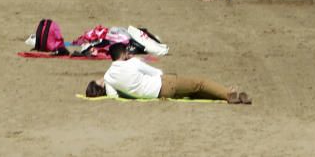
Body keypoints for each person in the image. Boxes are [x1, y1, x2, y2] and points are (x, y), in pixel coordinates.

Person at [86, 42, 251, 103]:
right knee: (200, 83)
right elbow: (158, 72)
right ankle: (229, 94)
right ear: (123, 54)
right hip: (164, 84)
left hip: (157, 95)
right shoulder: (133, 63)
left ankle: (226, 94)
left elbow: (113, 95)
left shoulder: (109, 78)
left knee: (194, 93)